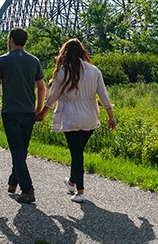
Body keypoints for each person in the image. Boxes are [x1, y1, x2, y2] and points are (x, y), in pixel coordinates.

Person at [36, 38, 116, 203]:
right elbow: (103, 94)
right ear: (82, 52)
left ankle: (80, 192)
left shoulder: (63, 72)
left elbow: (52, 97)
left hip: (71, 117)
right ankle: (72, 182)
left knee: (76, 153)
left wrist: (43, 114)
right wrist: (111, 115)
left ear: (65, 53)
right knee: (78, 151)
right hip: (90, 117)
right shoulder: (94, 71)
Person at [0, 28, 46, 204]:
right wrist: (39, 107)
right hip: (29, 112)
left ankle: (28, 190)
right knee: (21, 151)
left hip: (11, 112)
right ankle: (13, 182)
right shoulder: (34, 60)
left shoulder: (3, 60)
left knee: (17, 152)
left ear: (11, 40)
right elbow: (42, 87)